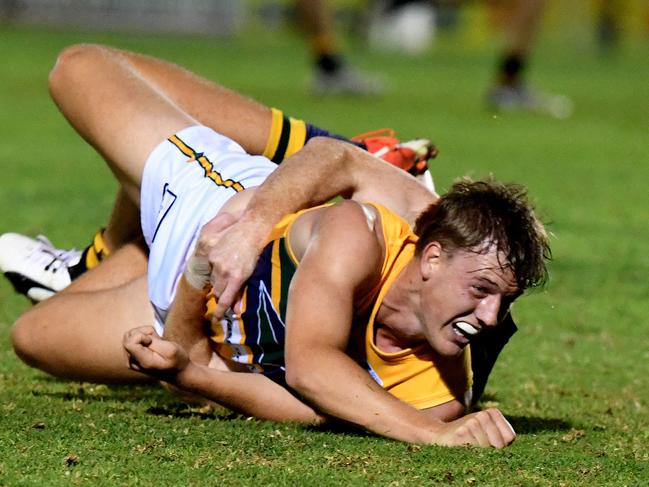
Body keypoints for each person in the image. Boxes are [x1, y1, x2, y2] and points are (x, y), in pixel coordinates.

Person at [4, 44, 549, 447]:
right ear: (431, 257)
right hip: (212, 204)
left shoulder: (438, 389)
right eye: (482, 291)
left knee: (33, 337)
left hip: (189, 300)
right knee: (76, 69)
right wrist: (251, 225)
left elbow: (315, 404)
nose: (492, 315)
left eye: (505, 301)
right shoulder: (370, 231)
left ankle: (109, 262)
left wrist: (192, 373)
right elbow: (312, 366)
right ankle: (105, 253)